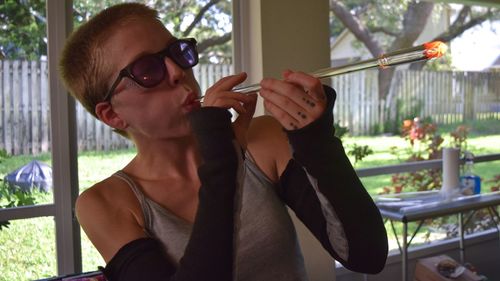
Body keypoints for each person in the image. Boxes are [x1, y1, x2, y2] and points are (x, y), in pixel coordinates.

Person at [59, 3, 388, 281]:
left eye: (177, 52)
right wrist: (222, 161)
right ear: (112, 115)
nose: (177, 71)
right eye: (147, 69)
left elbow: (366, 256)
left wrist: (316, 141)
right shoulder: (104, 203)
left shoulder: (263, 140)